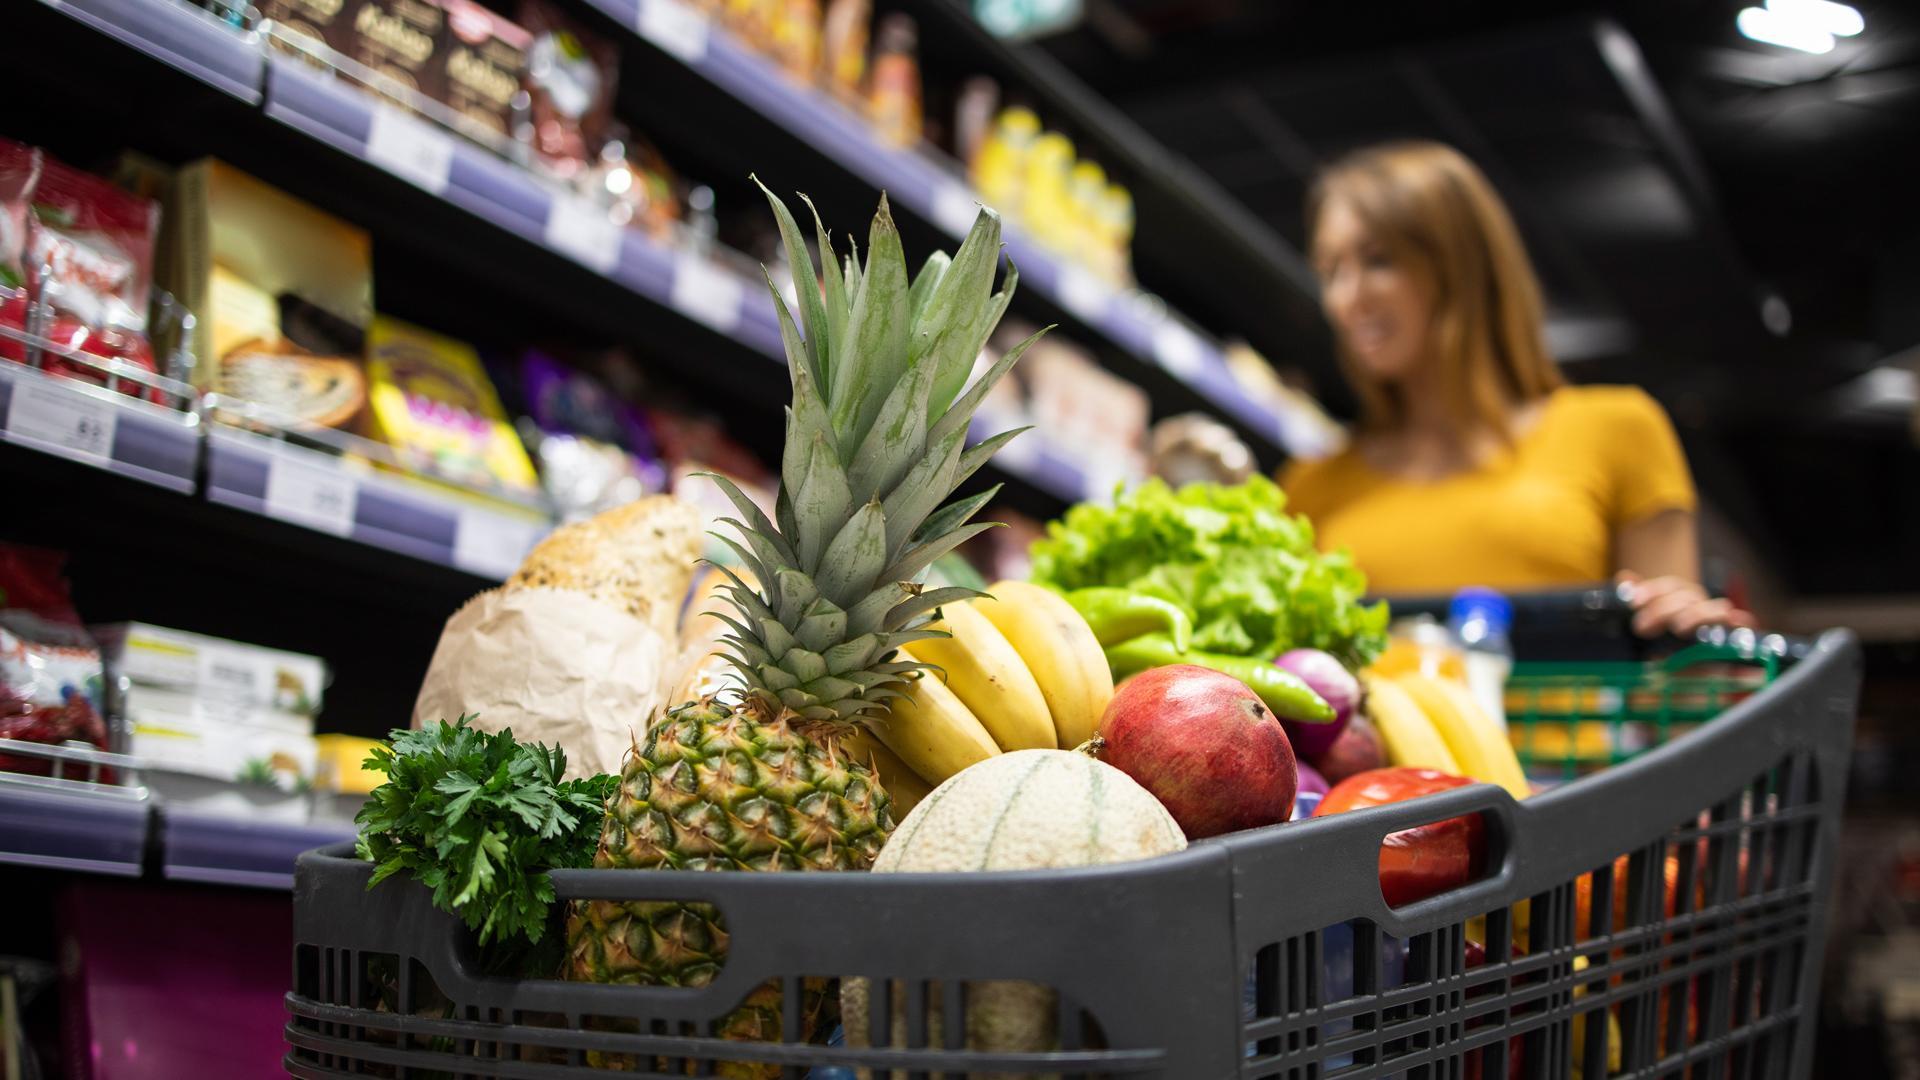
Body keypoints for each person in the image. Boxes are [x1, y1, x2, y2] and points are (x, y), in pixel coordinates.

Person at [1281, 140, 1752, 638]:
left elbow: (1675, 687)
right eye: (1332, 271)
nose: (1347, 298)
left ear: (1461, 265)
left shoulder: (1618, 429)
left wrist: (1694, 638)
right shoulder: (1310, 487)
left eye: (1378, 261)